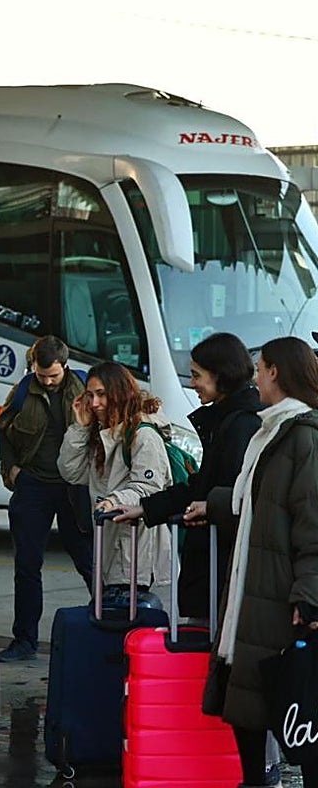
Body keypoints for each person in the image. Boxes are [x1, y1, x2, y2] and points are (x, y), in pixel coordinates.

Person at [188, 336, 318, 788]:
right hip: (254, 588)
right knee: (248, 701)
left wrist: (309, 596)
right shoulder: (270, 430)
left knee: (286, 704)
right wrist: (215, 505)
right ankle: (255, 782)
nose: (255, 375)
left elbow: (310, 525)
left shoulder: (302, 436)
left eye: (260, 367)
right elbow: (256, 504)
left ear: (276, 372)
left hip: (278, 594)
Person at [112, 333, 262, 618]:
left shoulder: (242, 424)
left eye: (197, 376)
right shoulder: (227, 419)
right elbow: (200, 485)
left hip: (223, 567)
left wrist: (205, 507)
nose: (192, 384)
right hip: (214, 566)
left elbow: (225, 493)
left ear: (221, 375)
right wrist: (146, 507)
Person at [0, 336, 93, 662]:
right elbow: (3, 429)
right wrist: (12, 470)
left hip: (73, 485)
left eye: (53, 375)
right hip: (33, 485)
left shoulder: (84, 390)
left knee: (87, 560)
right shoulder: (23, 391)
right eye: (41, 375)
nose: (48, 381)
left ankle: (110, 627)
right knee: (26, 566)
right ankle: (24, 641)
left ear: (65, 366)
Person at [57, 361, 172, 601]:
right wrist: (79, 427)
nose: (95, 403)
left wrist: (113, 501)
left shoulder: (144, 434)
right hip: (108, 542)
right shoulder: (101, 431)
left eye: (101, 394)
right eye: (90, 395)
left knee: (125, 614)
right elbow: (72, 472)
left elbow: (149, 487)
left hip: (133, 548)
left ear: (119, 393)